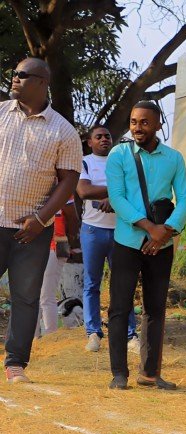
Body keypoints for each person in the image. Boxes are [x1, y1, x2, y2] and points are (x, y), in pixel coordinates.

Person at [0, 58, 82, 383]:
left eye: (22, 75)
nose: (14, 79)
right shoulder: (1, 114)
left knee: (25, 296)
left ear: (41, 83)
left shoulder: (63, 131)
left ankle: (15, 364)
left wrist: (41, 218)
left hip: (30, 231)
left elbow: (68, 181)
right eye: (15, 74)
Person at [105, 101, 186, 390]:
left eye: (144, 122)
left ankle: (150, 374)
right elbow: (117, 198)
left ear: (158, 124)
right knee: (119, 308)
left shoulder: (174, 158)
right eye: (133, 122)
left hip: (161, 245)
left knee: (155, 309)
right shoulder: (118, 154)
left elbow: (184, 199)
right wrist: (149, 228)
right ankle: (119, 373)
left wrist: (165, 233)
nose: (137, 128)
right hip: (127, 243)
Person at [77, 125, 138, 353]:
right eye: (98, 136)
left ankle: (130, 334)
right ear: (90, 142)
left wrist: (114, 197)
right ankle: (93, 333)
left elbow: (133, 190)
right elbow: (84, 191)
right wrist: (114, 193)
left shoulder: (122, 161)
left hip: (121, 231)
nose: (104, 139)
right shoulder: (85, 162)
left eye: (107, 136)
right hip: (93, 230)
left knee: (123, 283)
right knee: (92, 284)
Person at [38, 205, 80, 335]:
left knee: (46, 296)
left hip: (54, 248)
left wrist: (70, 241)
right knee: (36, 297)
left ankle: (51, 336)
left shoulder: (63, 195)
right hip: (42, 248)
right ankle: (35, 338)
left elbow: (72, 218)